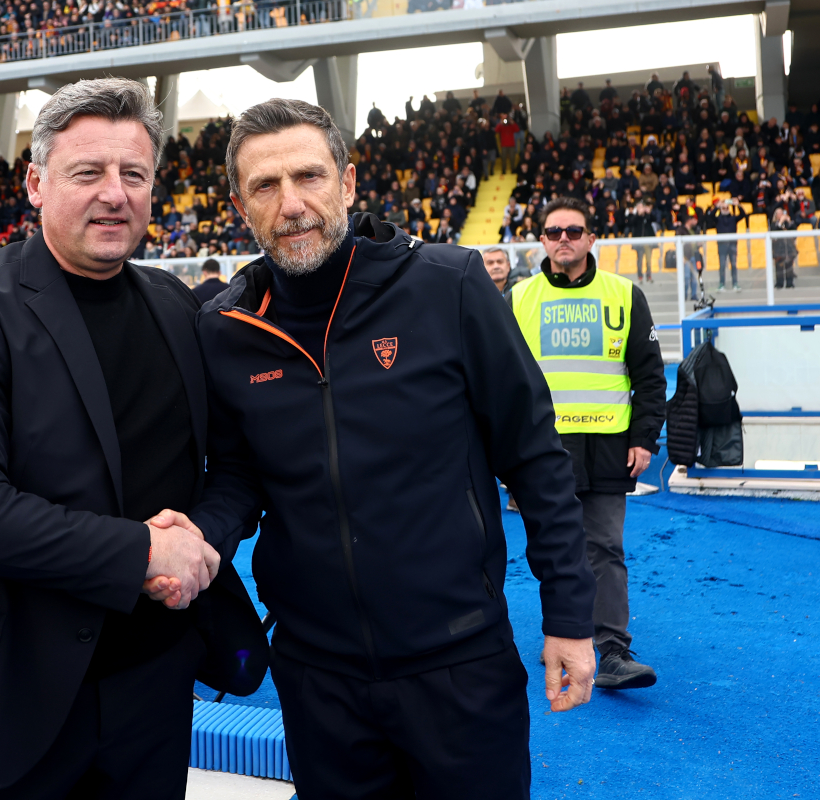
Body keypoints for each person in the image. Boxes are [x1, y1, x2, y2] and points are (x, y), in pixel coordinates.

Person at [156, 98, 597, 798]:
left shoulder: (447, 286)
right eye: (266, 186)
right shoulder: (225, 330)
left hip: (459, 660)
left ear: (350, 183)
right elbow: (239, 476)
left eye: (309, 176)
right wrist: (199, 536)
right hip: (315, 676)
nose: (292, 203)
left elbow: (534, 455)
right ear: (240, 206)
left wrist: (570, 617)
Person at [0, 78, 263, 799]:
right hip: (4, 704)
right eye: (88, 172)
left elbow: (233, 470)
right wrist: (145, 551)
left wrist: (198, 544)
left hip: (152, 692)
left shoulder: (176, 308)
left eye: (134, 174)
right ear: (35, 182)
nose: (114, 193)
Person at [510, 196, 666, 690]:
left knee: (604, 547)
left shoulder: (624, 293)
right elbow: (502, 382)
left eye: (573, 232)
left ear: (591, 238)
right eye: (554, 232)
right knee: (554, 549)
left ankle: (612, 651)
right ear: (541, 240)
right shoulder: (518, 298)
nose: (563, 240)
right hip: (545, 450)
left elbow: (649, 376)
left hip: (608, 447)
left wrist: (644, 438)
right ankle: (562, 633)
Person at [706, 199, 746, 291]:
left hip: (732, 244)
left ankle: (735, 283)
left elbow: (743, 215)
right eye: (723, 208)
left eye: (726, 207)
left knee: (734, 265)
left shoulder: (733, 218)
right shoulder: (718, 219)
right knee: (722, 265)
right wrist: (717, 207)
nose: (725, 209)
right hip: (722, 245)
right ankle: (721, 284)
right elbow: (710, 216)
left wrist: (738, 205)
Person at [770, 206, 798, 290]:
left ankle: (790, 283)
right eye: (779, 213)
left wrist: (789, 222)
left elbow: (794, 232)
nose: (781, 215)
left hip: (788, 248)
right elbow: (774, 231)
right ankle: (779, 283)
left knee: (789, 266)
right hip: (778, 249)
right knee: (779, 266)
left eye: (782, 213)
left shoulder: (787, 224)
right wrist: (780, 222)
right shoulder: (773, 224)